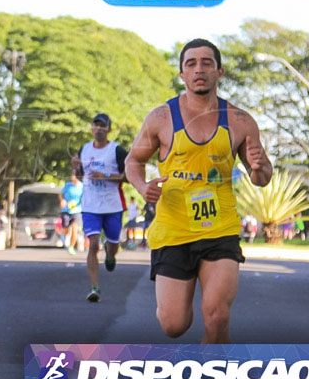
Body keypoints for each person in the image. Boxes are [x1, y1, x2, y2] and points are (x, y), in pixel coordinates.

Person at [125, 38, 273, 354]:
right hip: (173, 230)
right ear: (182, 74)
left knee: (217, 315)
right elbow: (133, 161)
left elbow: (260, 178)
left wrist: (261, 167)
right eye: (191, 63)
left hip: (220, 229)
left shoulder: (240, 120)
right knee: (173, 324)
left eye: (206, 62)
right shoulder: (161, 118)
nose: (199, 69)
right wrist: (142, 187)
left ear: (219, 71)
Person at [71, 113, 128, 302]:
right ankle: (94, 287)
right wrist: (76, 168)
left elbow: (128, 176)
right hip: (90, 204)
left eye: (102, 126)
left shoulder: (117, 150)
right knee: (93, 244)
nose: (98, 129)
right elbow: (80, 176)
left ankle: (111, 256)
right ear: (91, 129)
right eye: (95, 126)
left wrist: (104, 175)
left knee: (113, 245)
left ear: (109, 129)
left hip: (112, 205)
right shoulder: (84, 149)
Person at [61, 173, 84, 255]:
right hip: (66, 210)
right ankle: (65, 234)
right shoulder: (67, 185)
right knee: (66, 230)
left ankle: (71, 246)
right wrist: (62, 200)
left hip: (77, 210)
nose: (73, 177)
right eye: (72, 175)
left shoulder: (82, 186)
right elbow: (61, 194)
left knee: (75, 229)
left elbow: (85, 196)